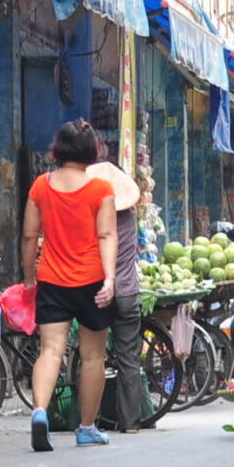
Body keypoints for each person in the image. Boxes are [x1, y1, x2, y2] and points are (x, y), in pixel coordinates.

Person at [19, 119, 120, 451]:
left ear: (58, 148)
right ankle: (87, 427)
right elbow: (106, 234)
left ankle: (38, 412)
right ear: (92, 151)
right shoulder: (100, 190)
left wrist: (29, 278)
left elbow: (29, 235)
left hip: (51, 278)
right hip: (92, 280)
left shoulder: (40, 186)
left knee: (50, 351)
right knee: (92, 356)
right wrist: (109, 278)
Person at [81, 146, 146, 432]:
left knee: (92, 357)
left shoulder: (93, 215)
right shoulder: (130, 216)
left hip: (98, 291)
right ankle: (130, 422)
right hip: (128, 291)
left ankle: (88, 420)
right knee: (129, 360)